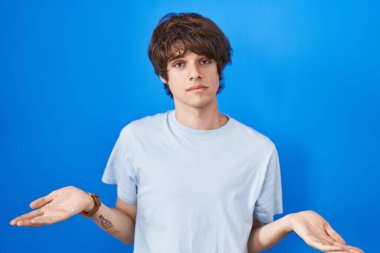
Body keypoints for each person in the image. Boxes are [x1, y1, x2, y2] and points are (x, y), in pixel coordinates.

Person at [10, 12, 363, 253]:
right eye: (180, 64)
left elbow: (249, 240)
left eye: (204, 61)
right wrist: (90, 204)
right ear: (164, 75)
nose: (194, 73)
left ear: (218, 66)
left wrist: (290, 223)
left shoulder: (259, 150)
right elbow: (132, 230)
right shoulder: (136, 137)